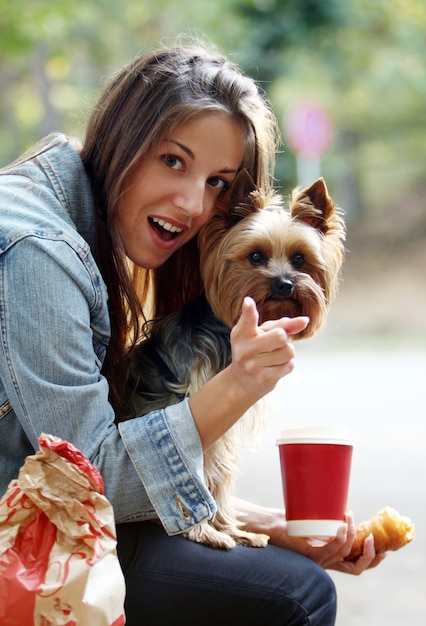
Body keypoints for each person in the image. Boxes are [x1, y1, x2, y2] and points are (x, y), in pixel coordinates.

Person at [0, 39, 384, 625]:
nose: (192, 205)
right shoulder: (41, 254)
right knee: (296, 595)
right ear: (124, 136)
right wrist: (241, 381)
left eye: (219, 184)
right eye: (174, 161)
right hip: (27, 542)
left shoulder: (67, 202)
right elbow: (88, 479)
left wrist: (271, 525)